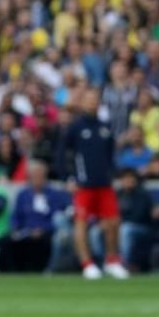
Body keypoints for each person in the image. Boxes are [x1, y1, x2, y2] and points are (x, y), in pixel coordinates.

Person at [62, 86, 129, 279]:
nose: (92, 102)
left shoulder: (105, 128)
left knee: (113, 222)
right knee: (81, 224)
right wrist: (69, 177)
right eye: (88, 99)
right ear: (82, 103)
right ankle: (87, 264)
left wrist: (113, 175)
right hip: (84, 185)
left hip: (104, 184)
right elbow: (64, 154)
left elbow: (110, 156)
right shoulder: (75, 127)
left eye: (94, 99)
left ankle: (111, 261)